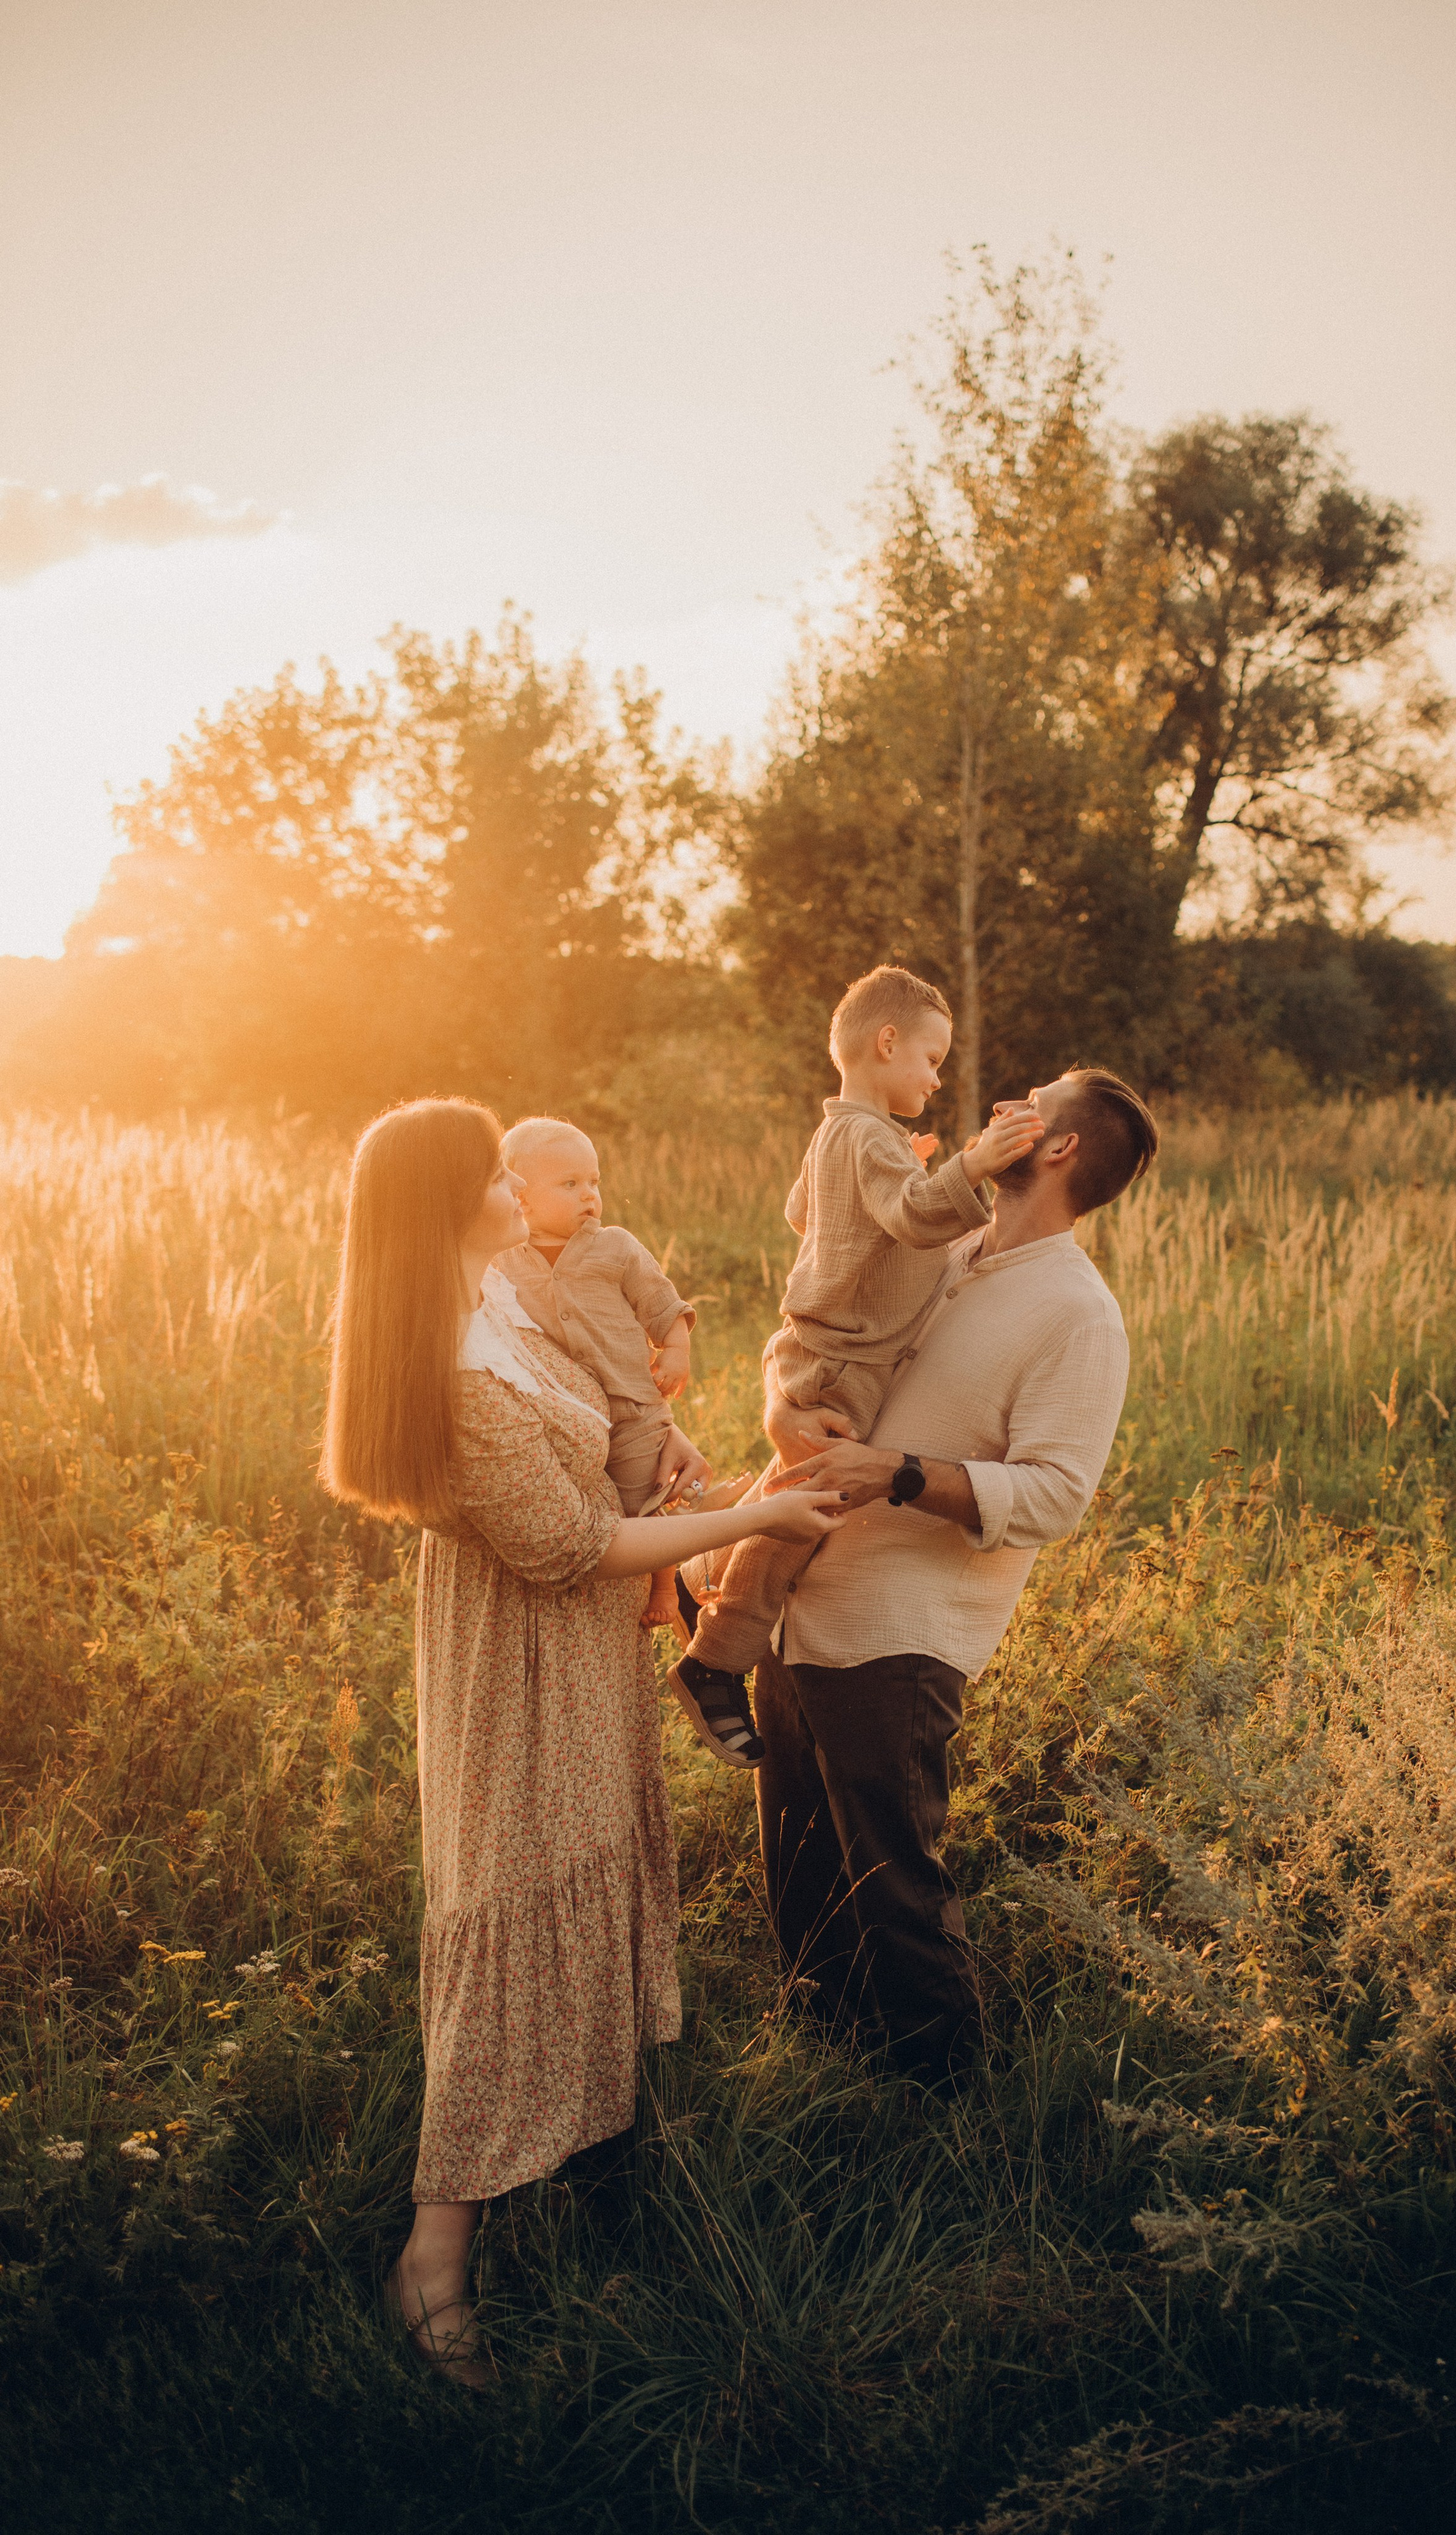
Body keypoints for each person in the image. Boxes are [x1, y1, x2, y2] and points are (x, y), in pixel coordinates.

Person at [317, 1098, 847, 2384]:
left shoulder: (499, 1297)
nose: (515, 1183)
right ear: (453, 1204)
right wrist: (754, 1523)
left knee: (586, 1872)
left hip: (582, 1655)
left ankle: (582, 2153)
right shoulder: (449, 1367)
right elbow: (575, 1550)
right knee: (511, 1914)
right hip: (525, 1665)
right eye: (491, 1171)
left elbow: (606, 1467)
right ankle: (433, 2257)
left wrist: (687, 1469)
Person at [753, 1066, 1159, 2085]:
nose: (1006, 1102)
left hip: (901, 1635)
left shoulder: (1078, 1314)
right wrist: (779, 1406)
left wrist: (895, 1474)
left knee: (896, 1891)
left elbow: (1058, 1494)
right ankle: (833, 2089)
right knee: (802, 1881)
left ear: (1058, 1149)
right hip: (799, 1607)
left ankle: (951, 2123)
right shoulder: (942, 1246)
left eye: (1037, 1099)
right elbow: (815, 1326)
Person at [670, 965, 1044, 1768]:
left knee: (801, 1490)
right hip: (842, 1360)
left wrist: (903, 1167)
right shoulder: (866, 1136)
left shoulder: (842, 1133)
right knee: (810, 1506)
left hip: (834, 1351)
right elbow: (912, 1219)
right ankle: (715, 1656)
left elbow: (801, 1212)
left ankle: (702, 1559)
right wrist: (969, 1164)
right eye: (931, 1059)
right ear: (886, 1043)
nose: (937, 1077)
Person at [494, 1114, 705, 1637]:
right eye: (570, 1184)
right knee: (586, 1508)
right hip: (562, 1413)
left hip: (632, 1403)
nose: (589, 1195)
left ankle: (665, 1581)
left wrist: (675, 1348)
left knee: (637, 1497)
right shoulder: (504, 1262)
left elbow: (661, 1301)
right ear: (521, 1196)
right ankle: (695, 1515)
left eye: (594, 1182)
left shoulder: (615, 1247)